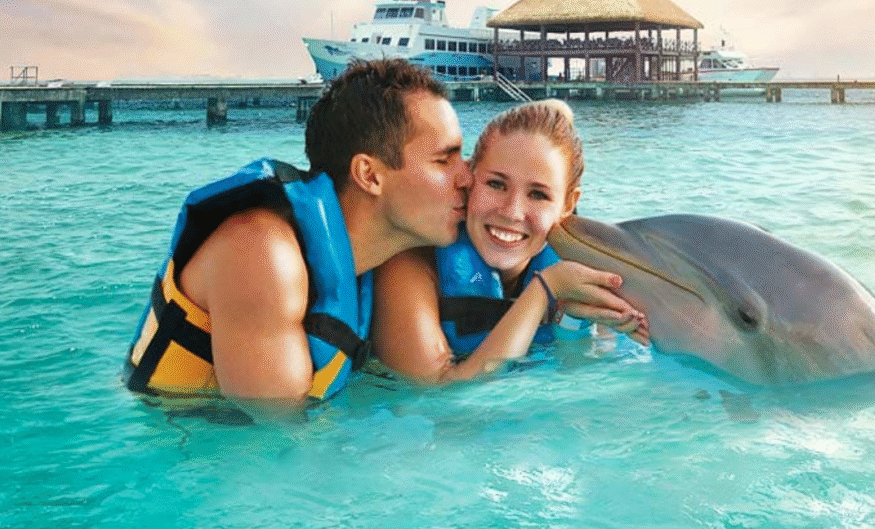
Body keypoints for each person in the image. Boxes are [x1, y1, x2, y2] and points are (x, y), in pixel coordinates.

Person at [124, 59, 472, 417]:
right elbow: (279, 443)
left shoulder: (374, 259)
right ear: (369, 175)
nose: (467, 177)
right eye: (444, 161)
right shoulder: (262, 254)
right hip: (177, 443)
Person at [372, 99, 648, 384]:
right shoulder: (413, 261)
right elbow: (437, 391)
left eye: (538, 195)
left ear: (568, 203)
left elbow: (582, 372)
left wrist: (572, 321)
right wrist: (544, 290)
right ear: (469, 176)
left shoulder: (576, 266)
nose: (511, 212)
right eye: (496, 184)